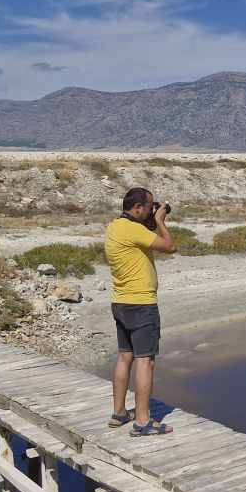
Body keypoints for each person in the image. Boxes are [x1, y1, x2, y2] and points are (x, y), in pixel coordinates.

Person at [105, 186, 177, 436]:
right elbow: (170, 246)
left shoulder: (116, 227)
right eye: (148, 207)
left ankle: (119, 412)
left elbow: (144, 234)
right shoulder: (134, 229)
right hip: (141, 304)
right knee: (146, 361)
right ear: (137, 208)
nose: (150, 210)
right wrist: (160, 220)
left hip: (120, 302)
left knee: (125, 357)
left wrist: (152, 218)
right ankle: (143, 421)